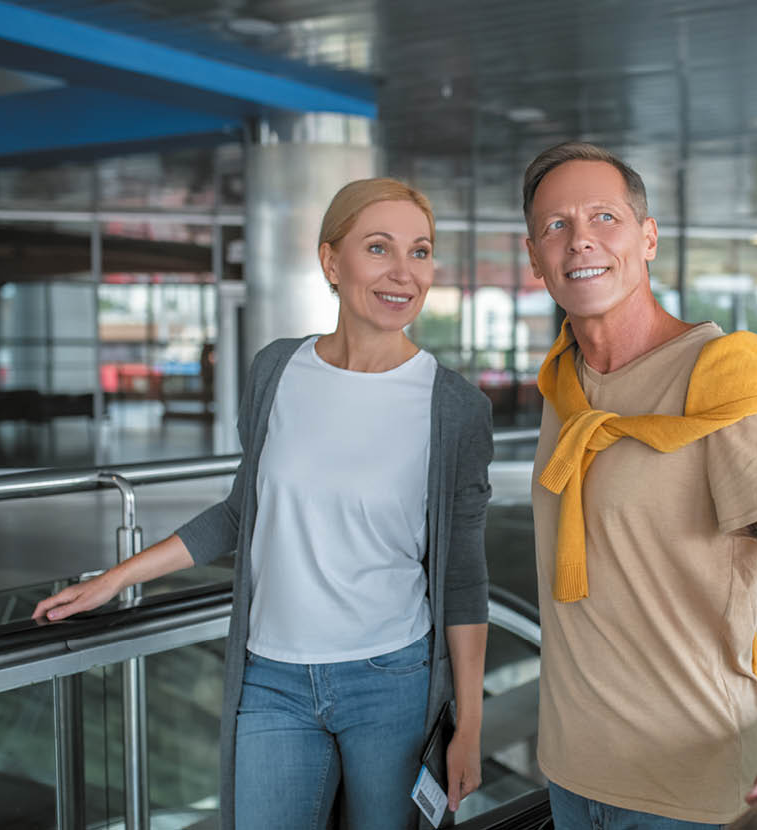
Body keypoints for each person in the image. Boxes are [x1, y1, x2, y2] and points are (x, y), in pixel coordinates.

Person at [33, 178, 493, 830]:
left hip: (389, 682)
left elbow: (464, 578)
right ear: (331, 261)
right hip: (272, 679)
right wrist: (113, 579)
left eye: (419, 252)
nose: (403, 272)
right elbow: (241, 513)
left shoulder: (452, 407)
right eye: (378, 248)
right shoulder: (275, 371)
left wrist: (469, 724)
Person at [521, 142, 757, 830]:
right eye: (555, 226)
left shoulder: (713, 374)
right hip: (567, 777)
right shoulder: (562, 381)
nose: (580, 241)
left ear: (647, 237)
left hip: (683, 796)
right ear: (535, 257)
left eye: (604, 217)